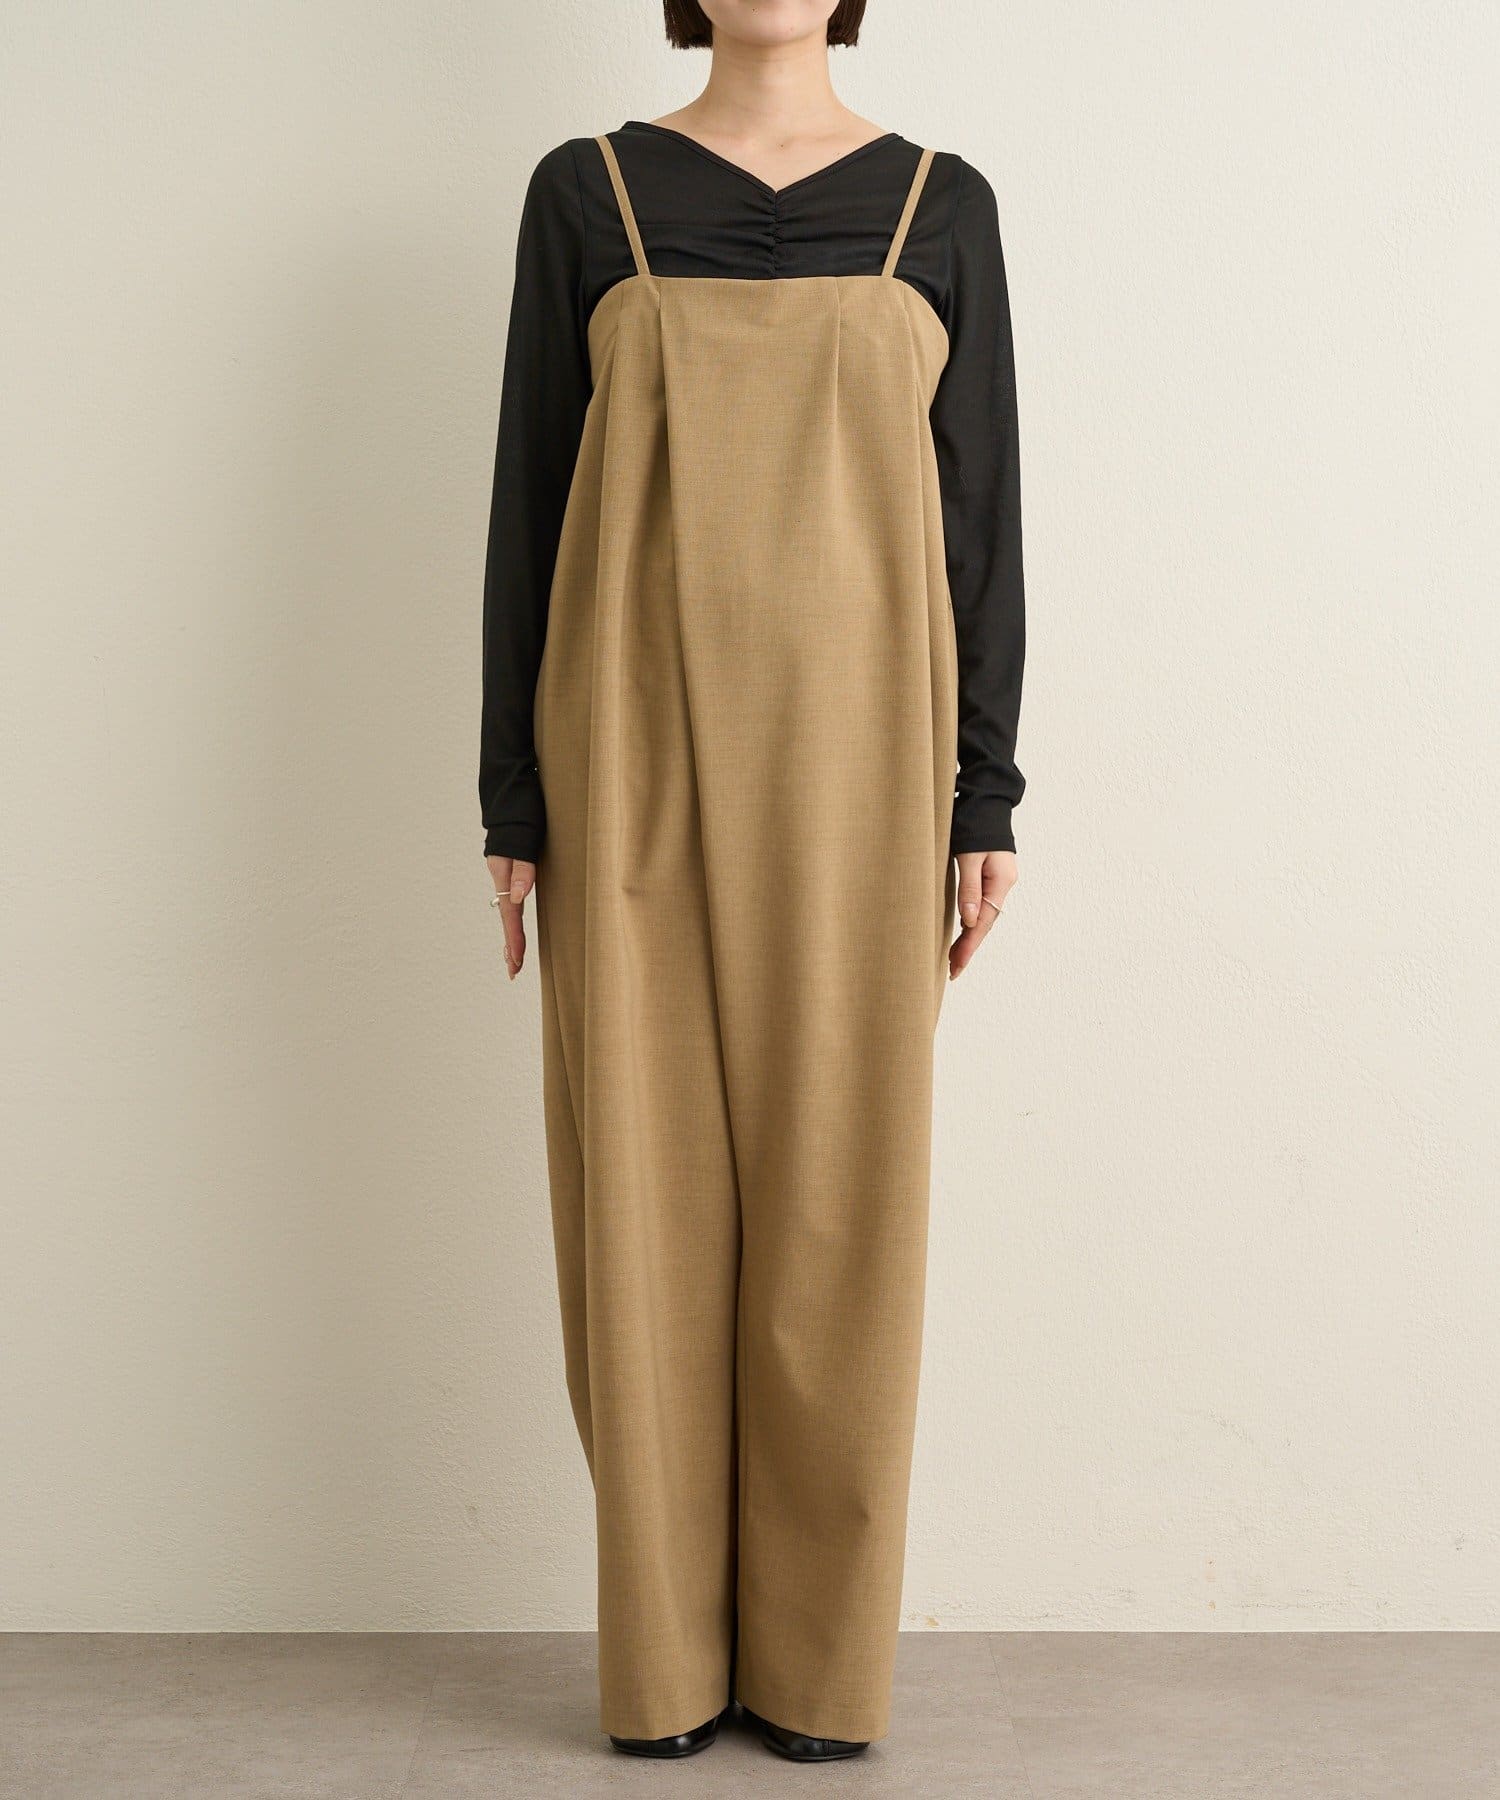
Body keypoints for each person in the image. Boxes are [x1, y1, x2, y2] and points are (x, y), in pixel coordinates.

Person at [478, 0, 1024, 1764]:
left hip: (867, 762)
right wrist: (510, 798)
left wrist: (987, 794)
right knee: (640, 1205)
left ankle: (816, 1667)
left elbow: (982, 519)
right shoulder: (589, 193)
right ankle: (664, 1666)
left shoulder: (941, 204)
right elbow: (529, 499)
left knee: (841, 1207)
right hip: (623, 746)